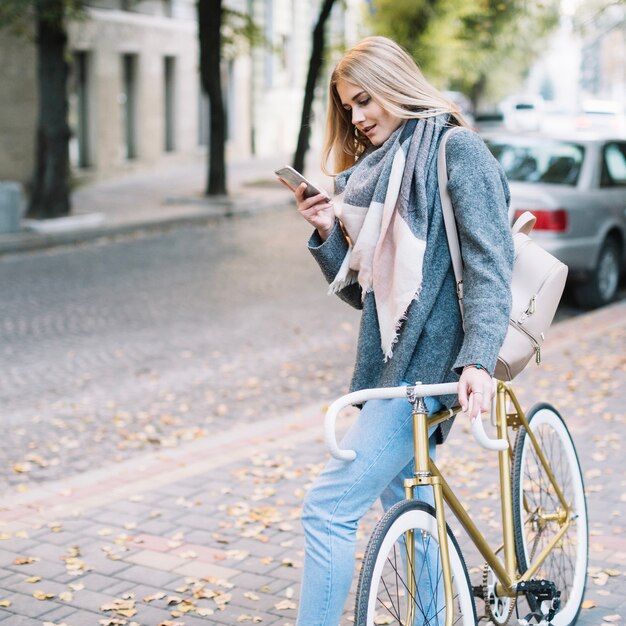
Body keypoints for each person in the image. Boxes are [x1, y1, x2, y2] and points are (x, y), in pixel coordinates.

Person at [291, 36, 514, 626]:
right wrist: (327, 234)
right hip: (391, 367)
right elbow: (369, 300)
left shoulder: (456, 151)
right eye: (349, 109)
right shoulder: (380, 173)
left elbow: (492, 267)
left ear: (396, 84)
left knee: (328, 509)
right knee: (413, 513)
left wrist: (479, 361)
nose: (359, 119)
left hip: (434, 369)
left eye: (365, 101)